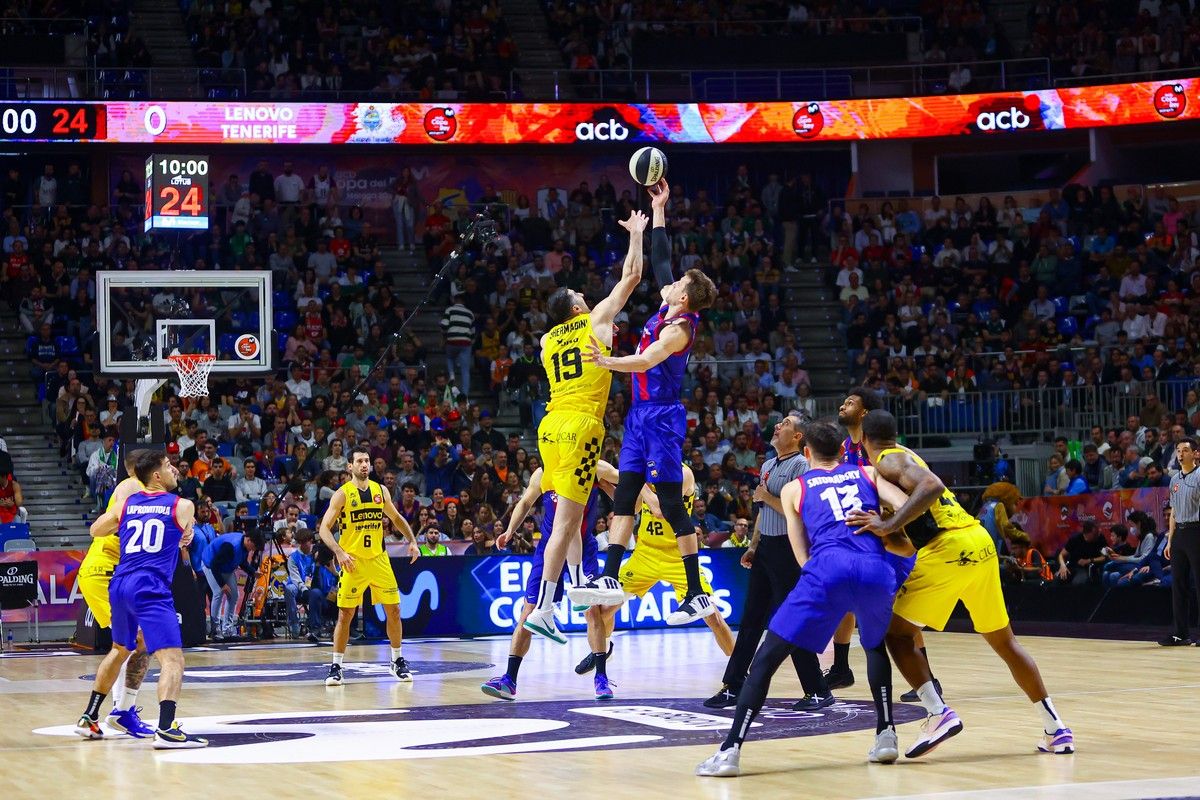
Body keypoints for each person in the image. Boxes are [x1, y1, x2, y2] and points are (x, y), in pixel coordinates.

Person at [695, 421, 917, 777]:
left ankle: (730, 751)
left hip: (826, 568)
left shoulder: (796, 487)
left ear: (807, 453)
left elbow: (801, 553)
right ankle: (886, 734)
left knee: (768, 657)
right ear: (842, 452)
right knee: (875, 646)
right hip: (874, 566)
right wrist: (884, 525)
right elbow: (908, 504)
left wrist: (823, 582)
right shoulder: (867, 472)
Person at [848, 410, 1074, 758]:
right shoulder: (907, 455)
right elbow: (917, 518)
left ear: (863, 436)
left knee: (895, 633)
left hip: (949, 546)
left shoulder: (888, 459)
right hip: (977, 542)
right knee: (1005, 642)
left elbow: (931, 486)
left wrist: (887, 525)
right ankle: (1055, 728)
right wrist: (892, 526)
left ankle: (938, 714)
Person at [572, 182, 718, 626]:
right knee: (626, 497)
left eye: (678, 284)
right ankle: (611, 577)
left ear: (685, 297)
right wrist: (658, 211)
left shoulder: (680, 330)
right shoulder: (667, 308)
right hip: (639, 417)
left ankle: (695, 592)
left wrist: (606, 360)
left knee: (672, 504)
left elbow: (647, 359)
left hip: (662, 417)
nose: (669, 283)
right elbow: (659, 260)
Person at [519, 210, 648, 644]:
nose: (587, 297)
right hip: (581, 426)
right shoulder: (595, 321)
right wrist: (635, 236)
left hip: (549, 426)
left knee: (569, 521)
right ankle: (546, 608)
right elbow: (631, 276)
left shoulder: (546, 341)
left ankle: (564, 592)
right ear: (576, 307)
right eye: (580, 294)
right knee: (563, 525)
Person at [75, 449, 208, 748]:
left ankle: (90, 716)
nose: (175, 470)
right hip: (149, 585)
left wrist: (124, 525)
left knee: (120, 649)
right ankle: (166, 730)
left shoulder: (127, 503)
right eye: (169, 466)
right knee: (173, 659)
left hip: (120, 582)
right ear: (156, 475)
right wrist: (185, 531)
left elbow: (97, 529)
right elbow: (187, 531)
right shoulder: (182, 504)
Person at [705, 411, 833, 711]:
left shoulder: (801, 464)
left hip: (789, 551)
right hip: (766, 550)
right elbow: (763, 511)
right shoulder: (768, 464)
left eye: (786, 424)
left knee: (792, 620)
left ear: (798, 436)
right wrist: (753, 545)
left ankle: (817, 689)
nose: (778, 425)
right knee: (750, 620)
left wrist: (767, 497)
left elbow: (800, 509)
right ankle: (733, 685)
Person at [832, 388, 941, 703]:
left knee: (899, 612)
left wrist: (893, 526)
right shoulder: (845, 449)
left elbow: (924, 491)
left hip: (897, 539)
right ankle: (841, 667)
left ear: (865, 414)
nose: (843, 403)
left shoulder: (891, 453)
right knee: (850, 599)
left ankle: (927, 680)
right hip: (869, 537)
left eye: (850, 401)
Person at [480, 460, 614, 702]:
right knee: (529, 612)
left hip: (584, 548)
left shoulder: (590, 465)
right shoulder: (543, 472)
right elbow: (524, 502)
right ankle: (509, 680)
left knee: (591, 610)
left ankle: (601, 678)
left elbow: (623, 483)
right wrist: (510, 531)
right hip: (548, 550)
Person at [592, 463, 736, 687]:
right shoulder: (647, 473)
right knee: (603, 610)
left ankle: (739, 673)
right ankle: (606, 646)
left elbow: (658, 507)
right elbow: (637, 506)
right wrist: (606, 486)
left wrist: (636, 480)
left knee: (712, 616)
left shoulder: (684, 474)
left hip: (678, 556)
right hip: (645, 553)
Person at [319, 445, 419, 686]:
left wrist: (413, 541)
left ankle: (397, 661)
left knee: (394, 610)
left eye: (367, 461)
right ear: (349, 466)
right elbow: (323, 528)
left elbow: (396, 518)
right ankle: (336, 666)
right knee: (346, 615)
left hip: (379, 560)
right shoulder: (342, 494)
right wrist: (339, 552)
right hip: (353, 562)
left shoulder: (380, 490)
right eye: (359, 461)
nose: (364, 465)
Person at [74, 452, 155, 738]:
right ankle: (120, 712)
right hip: (106, 572)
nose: (173, 468)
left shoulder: (147, 494)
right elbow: (100, 529)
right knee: (137, 641)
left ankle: (98, 715)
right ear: (151, 469)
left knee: (128, 645)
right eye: (168, 464)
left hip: (114, 574)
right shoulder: (132, 486)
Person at [1161, 436, 1200, 646]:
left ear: (1195, 454)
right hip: (1180, 535)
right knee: (1178, 584)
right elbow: (1174, 512)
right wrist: (1170, 540)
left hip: (1197, 530)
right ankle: (1180, 633)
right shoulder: (1174, 480)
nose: (1180, 453)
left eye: (1185, 450)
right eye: (1178, 450)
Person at [201, 527, 264, 640]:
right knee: (218, 594)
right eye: (254, 547)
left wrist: (253, 572)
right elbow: (215, 564)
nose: (253, 550)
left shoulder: (244, 546)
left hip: (226, 568)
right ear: (249, 540)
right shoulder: (230, 546)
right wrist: (222, 584)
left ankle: (227, 629)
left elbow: (242, 562)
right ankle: (215, 629)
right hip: (210, 565)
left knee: (234, 595)